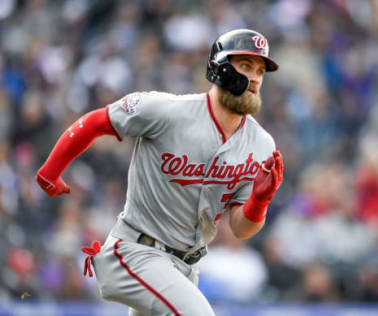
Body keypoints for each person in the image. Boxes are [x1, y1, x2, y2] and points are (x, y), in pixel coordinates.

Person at [35, 28, 284, 316]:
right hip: (135, 252)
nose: (255, 77)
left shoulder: (261, 144)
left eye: (260, 70)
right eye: (245, 66)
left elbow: (241, 229)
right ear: (219, 69)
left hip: (186, 268)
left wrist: (260, 201)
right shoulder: (167, 110)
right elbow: (97, 122)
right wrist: (50, 172)